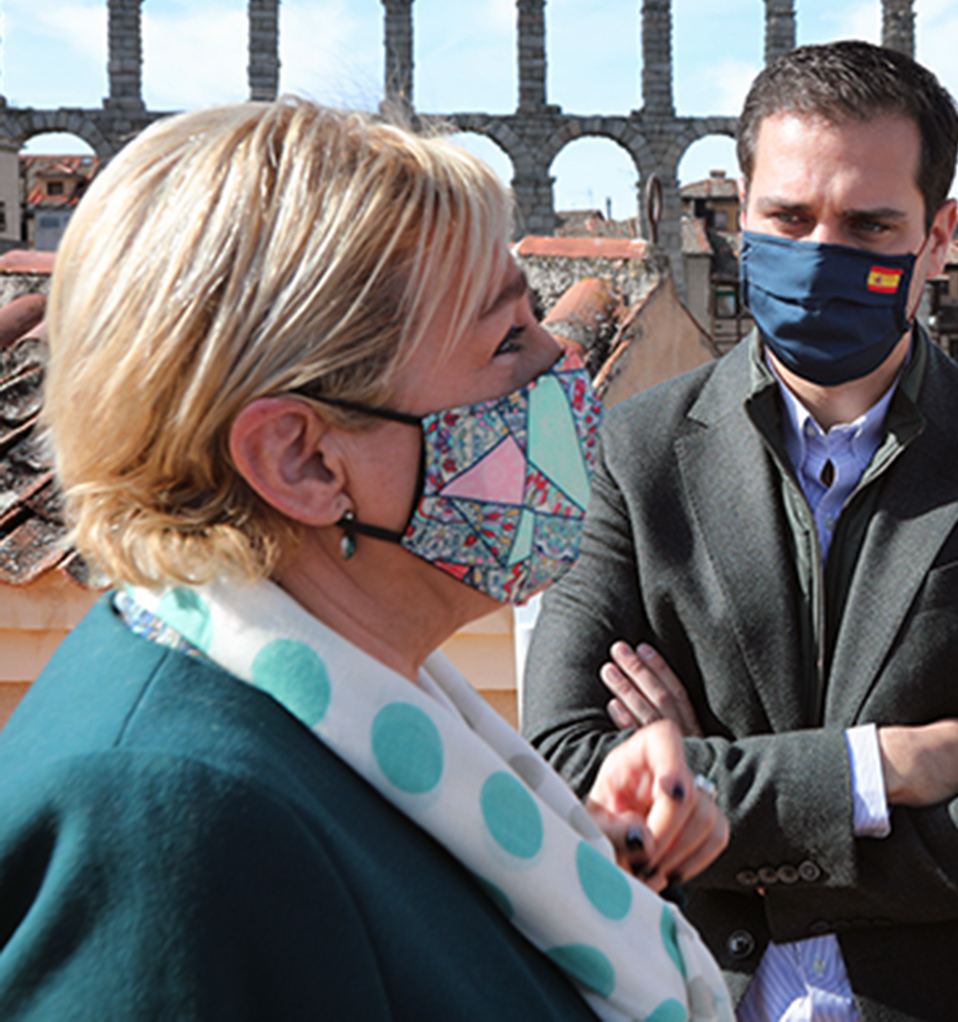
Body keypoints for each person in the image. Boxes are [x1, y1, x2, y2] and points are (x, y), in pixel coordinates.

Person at [0, 100, 733, 1021]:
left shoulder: (358, 701)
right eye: (508, 340)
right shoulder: (161, 831)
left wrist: (580, 859)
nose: (565, 359)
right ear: (304, 460)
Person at [522, 41, 958, 1021]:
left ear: (936, 238)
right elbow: (566, 774)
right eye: (790, 219)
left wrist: (710, 796)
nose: (820, 254)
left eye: (868, 225)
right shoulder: (632, 456)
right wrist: (877, 769)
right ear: (741, 216)